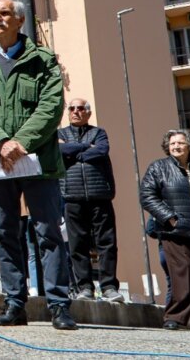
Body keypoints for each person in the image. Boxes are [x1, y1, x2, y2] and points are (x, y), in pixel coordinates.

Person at [0, 0, 75, 330]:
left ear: (19, 20)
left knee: (48, 232)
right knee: (5, 233)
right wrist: (1, 142)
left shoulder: (43, 60)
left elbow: (51, 107)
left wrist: (21, 143)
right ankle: (14, 303)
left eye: (4, 13)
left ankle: (59, 304)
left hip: (37, 160)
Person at [139, 129, 190, 332]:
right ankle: (174, 318)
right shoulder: (158, 168)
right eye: (172, 143)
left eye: (180, 143)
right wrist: (170, 218)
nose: (176, 146)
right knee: (182, 273)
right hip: (174, 232)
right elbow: (147, 196)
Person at [57, 98, 121, 302]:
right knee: (77, 245)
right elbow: (59, 151)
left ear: (88, 112)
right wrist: (86, 147)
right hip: (72, 196)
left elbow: (101, 150)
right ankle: (84, 288)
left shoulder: (99, 133)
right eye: (72, 108)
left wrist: (74, 151)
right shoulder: (59, 134)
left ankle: (109, 287)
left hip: (100, 195)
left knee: (107, 243)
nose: (76, 111)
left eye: (81, 108)